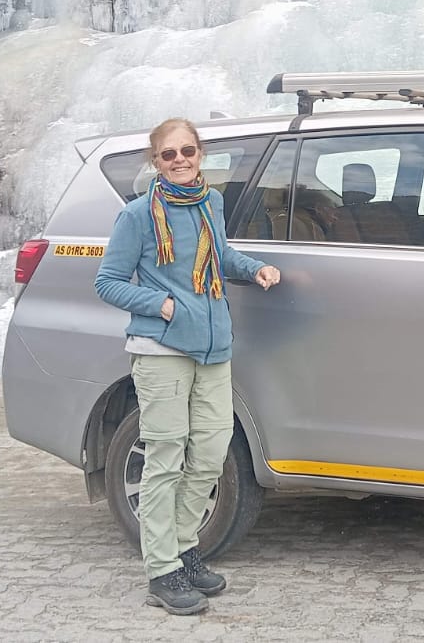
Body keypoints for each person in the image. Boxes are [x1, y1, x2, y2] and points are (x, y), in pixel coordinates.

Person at [94, 117, 281, 616]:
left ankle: (182, 548)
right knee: (165, 458)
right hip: (161, 351)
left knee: (209, 454)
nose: (180, 161)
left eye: (188, 152)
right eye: (168, 155)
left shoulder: (211, 204)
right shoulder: (136, 216)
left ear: (201, 155)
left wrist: (254, 268)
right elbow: (108, 282)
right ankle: (162, 570)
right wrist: (161, 305)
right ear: (155, 162)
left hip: (214, 348)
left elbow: (218, 258)